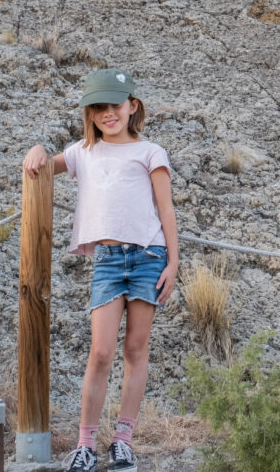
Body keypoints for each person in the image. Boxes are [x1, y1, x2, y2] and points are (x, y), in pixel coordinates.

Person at [23, 69, 179, 472]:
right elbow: (46, 165)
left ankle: (123, 440)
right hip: (108, 263)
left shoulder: (150, 152)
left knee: (135, 349)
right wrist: (39, 147)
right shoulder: (82, 152)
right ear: (90, 115)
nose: (108, 113)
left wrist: (174, 264)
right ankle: (86, 444)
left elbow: (166, 210)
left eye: (115, 105)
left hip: (148, 258)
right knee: (102, 351)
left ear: (132, 106)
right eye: (99, 108)